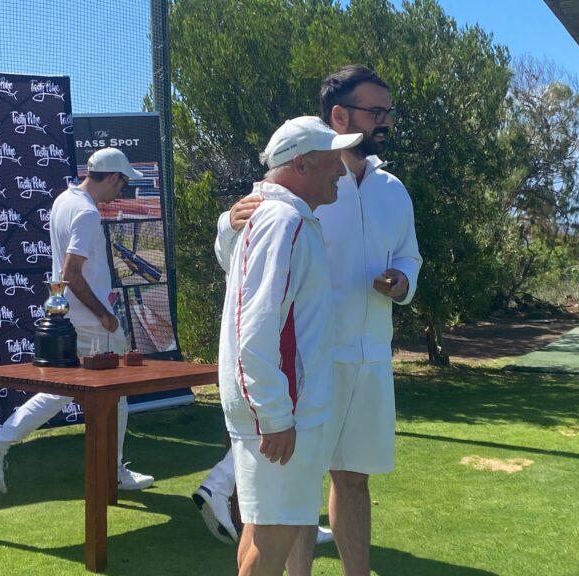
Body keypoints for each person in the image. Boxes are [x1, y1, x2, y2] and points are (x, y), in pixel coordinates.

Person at [198, 65, 423, 575]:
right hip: (304, 367)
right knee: (289, 499)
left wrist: (403, 281)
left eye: (388, 110)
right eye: (376, 111)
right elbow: (245, 280)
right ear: (339, 114)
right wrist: (227, 226)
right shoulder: (291, 195)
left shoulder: (392, 190)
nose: (385, 120)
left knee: (351, 478)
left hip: (369, 356)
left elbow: (410, 256)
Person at [219, 116, 361, 576]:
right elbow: (258, 326)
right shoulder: (284, 221)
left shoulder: (272, 217)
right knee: (273, 536)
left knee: (262, 530)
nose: (342, 169)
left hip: (274, 404)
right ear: (301, 164)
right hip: (283, 410)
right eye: (332, 159)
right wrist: (277, 414)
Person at [0, 147, 155, 495]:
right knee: (114, 395)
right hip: (91, 321)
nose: (121, 192)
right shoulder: (87, 212)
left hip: (68, 315)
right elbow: (71, 272)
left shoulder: (63, 200)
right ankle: (112, 470)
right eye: (122, 184)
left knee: (59, 392)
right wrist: (105, 316)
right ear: (114, 177)